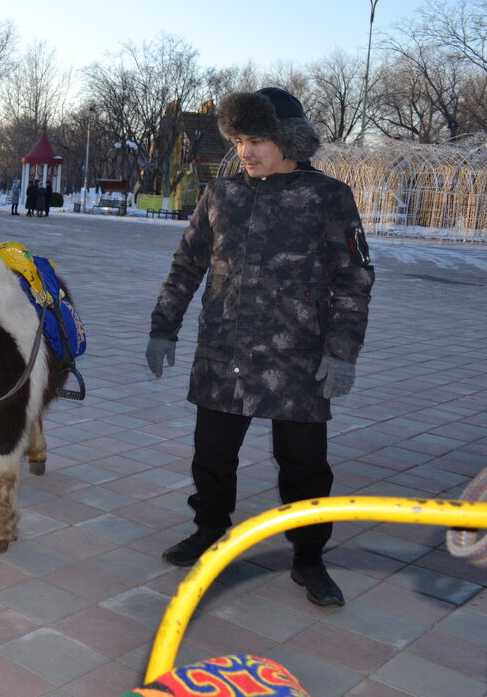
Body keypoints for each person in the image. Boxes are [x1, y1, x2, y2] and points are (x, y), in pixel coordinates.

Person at [145, 87, 374, 608]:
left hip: (297, 359)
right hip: (224, 353)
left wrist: (342, 352)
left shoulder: (327, 197)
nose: (245, 152)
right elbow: (186, 265)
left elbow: (354, 279)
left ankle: (309, 556)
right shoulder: (221, 194)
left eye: (257, 140)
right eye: (240, 140)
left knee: (305, 466)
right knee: (212, 455)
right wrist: (164, 327)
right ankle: (209, 532)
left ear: (288, 140)